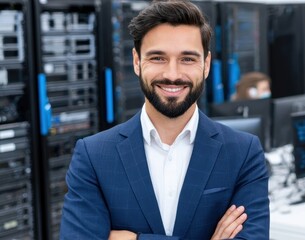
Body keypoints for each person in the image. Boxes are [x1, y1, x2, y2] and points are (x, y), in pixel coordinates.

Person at [59, 1, 269, 239]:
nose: (172, 74)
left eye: (188, 59)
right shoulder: (93, 155)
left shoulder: (243, 152)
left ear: (206, 65)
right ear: (137, 62)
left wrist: (135, 238)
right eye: (158, 58)